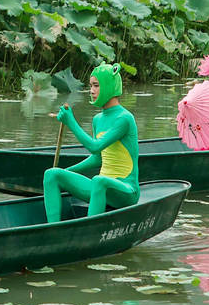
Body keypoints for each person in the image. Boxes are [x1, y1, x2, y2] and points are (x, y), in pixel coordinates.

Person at [42, 64, 140, 223]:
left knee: (98, 180)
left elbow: (95, 146)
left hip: (126, 191)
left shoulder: (124, 118)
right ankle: (53, 229)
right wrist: (67, 171)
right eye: (90, 86)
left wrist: (71, 122)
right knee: (52, 174)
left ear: (109, 86)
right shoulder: (97, 119)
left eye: (96, 85)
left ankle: (89, 230)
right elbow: (98, 157)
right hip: (100, 188)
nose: (91, 90)